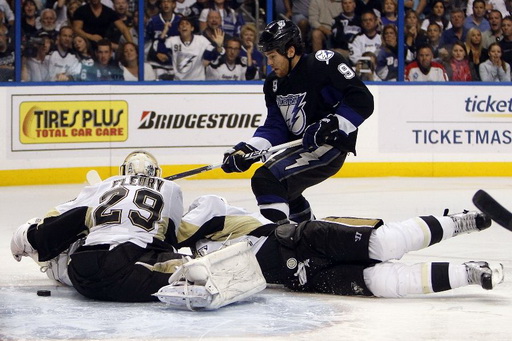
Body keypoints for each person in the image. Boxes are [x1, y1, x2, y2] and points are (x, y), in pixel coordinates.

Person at [173, 195, 503, 302]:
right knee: (386, 284)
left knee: (384, 242)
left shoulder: (210, 214)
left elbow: (188, 222)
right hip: (305, 279)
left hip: (306, 237)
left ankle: (459, 222)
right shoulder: (182, 263)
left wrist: (164, 232)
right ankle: (469, 273)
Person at [221, 20, 374, 225]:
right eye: (268, 57)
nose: (270, 63)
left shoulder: (321, 64)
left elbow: (362, 99)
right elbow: (276, 125)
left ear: (291, 50)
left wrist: (332, 124)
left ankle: (279, 244)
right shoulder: (274, 83)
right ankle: (308, 237)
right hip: (303, 146)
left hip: (328, 146)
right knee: (286, 192)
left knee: (267, 179)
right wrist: (249, 150)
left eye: (273, 56)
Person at [11, 151, 186, 302]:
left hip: (83, 274)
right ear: (156, 172)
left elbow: (56, 216)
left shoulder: (102, 186)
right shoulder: (170, 188)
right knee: (187, 267)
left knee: (82, 230)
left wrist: (30, 234)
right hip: (130, 270)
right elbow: (172, 238)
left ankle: (53, 259)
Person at [164, 16, 225, 80]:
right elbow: (159, 51)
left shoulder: (201, 40)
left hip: (197, 82)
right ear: (179, 29)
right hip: (178, 83)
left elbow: (212, 55)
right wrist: (165, 31)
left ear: (192, 28)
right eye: (182, 24)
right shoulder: (172, 41)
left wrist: (219, 46)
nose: (184, 26)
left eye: (187, 24)